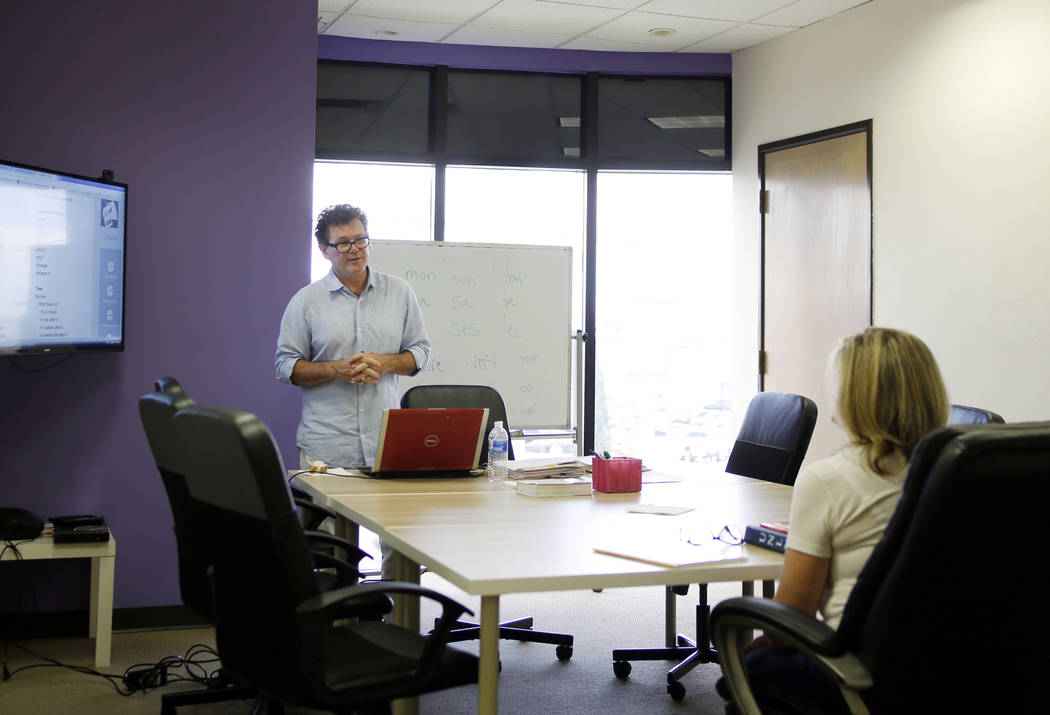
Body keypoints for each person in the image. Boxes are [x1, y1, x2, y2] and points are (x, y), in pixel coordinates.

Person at [720, 327, 949, 709]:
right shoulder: (959, 472)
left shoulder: (828, 481)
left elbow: (790, 618)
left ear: (855, 397)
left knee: (749, 668)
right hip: (958, 667)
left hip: (857, 673)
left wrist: (757, 643)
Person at [275, 203, 430, 578]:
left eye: (361, 239)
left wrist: (387, 362)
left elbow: (420, 352)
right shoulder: (306, 302)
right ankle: (335, 631)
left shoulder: (399, 292)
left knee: (399, 541)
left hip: (386, 443)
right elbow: (285, 367)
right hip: (327, 446)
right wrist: (335, 369)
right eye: (343, 243)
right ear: (324, 250)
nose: (355, 249)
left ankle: (397, 626)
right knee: (328, 551)